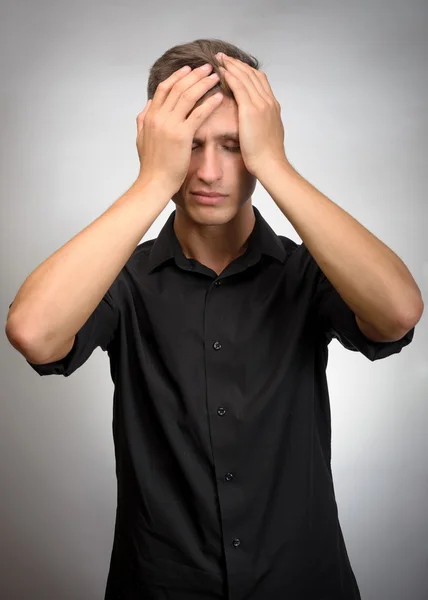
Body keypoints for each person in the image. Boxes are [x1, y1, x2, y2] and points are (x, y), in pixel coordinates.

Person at [5, 38, 423, 600]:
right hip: (159, 584)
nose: (207, 171)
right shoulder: (123, 281)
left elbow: (398, 313)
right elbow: (33, 332)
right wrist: (152, 180)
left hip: (303, 580)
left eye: (232, 145)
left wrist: (273, 162)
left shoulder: (308, 272)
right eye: (190, 145)